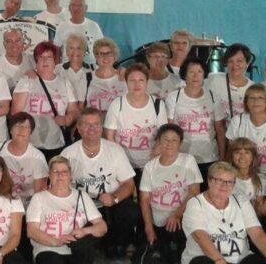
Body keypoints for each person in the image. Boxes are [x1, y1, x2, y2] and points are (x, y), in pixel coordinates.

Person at [26, 156, 108, 264]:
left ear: (70, 175)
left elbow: (102, 227)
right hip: (48, 249)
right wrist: (56, 241)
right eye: (56, 172)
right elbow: (32, 231)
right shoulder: (39, 198)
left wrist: (84, 231)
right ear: (50, 175)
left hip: (74, 249)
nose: (60, 176)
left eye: (64, 172)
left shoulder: (82, 196)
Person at [62, 108, 138, 259]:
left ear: (101, 128)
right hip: (83, 209)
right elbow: (60, 188)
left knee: (130, 210)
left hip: (110, 205)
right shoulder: (68, 154)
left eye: (96, 124)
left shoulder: (115, 150)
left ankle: (119, 242)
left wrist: (114, 197)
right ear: (78, 128)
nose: (92, 129)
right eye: (86, 124)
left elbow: (129, 184)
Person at [139, 124, 202, 264]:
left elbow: (194, 192)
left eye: (174, 140)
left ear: (180, 143)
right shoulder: (150, 167)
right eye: (165, 140)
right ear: (158, 142)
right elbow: (144, 199)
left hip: (180, 218)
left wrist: (177, 215)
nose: (170, 144)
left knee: (175, 253)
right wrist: (149, 227)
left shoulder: (188, 161)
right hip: (158, 220)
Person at [11, 41, 78, 160]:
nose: (45, 61)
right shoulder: (27, 80)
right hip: (30, 145)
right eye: (41, 57)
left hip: (56, 144)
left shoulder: (64, 83)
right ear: (36, 60)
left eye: (49, 57)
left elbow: (74, 110)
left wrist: (67, 120)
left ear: (55, 61)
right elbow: (16, 113)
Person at [165, 57, 226, 185]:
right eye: (191, 72)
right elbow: (168, 130)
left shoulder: (214, 97)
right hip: (182, 157)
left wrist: (222, 158)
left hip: (209, 157)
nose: (195, 76)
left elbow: (220, 130)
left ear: (204, 74)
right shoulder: (173, 98)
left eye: (199, 71)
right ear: (184, 75)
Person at [104, 63, 168, 182]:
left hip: (151, 162)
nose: (137, 84)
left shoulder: (158, 104)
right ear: (126, 82)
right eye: (132, 80)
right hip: (123, 164)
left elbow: (164, 135)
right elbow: (110, 138)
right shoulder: (117, 104)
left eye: (141, 80)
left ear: (147, 82)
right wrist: (122, 165)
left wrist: (151, 164)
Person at [225, 84, 266, 180]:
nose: (256, 101)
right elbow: (231, 155)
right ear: (246, 102)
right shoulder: (237, 121)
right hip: (244, 176)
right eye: (252, 98)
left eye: (260, 98)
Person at [0, 112, 49, 205]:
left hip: (28, 205)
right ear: (11, 130)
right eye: (18, 125)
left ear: (31, 132)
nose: (21, 130)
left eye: (26, 127)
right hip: (1, 203)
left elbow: (40, 191)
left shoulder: (38, 157)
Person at [206, 43, 253, 121]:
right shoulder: (215, 81)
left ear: (247, 64)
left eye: (239, 61)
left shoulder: (253, 89)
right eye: (230, 61)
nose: (235, 65)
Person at [53, 0, 103, 66]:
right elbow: (56, 49)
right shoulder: (62, 26)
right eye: (73, 5)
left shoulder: (94, 26)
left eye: (80, 5)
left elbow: (101, 48)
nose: (76, 8)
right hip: (67, 69)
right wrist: (57, 68)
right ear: (69, 8)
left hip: (90, 69)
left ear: (86, 8)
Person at [85, 38, 126, 113]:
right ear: (96, 56)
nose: (105, 57)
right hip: (94, 123)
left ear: (115, 56)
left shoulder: (124, 76)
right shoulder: (86, 78)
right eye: (101, 54)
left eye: (109, 53)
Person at [229, 137, 266, 209]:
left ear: (253, 157)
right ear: (231, 156)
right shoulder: (225, 179)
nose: (242, 157)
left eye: (247, 152)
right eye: (237, 152)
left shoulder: (262, 180)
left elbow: (258, 210)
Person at [0, 28, 35, 92]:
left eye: (18, 40)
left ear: (23, 42)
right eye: (9, 41)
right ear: (4, 44)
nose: (14, 45)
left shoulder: (33, 60)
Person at [62, 34, 95, 106]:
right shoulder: (57, 69)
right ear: (67, 52)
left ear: (84, 52)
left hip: (86, 113)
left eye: (78, 48)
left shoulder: (93, 70)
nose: (75, 51)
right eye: (71, 48)